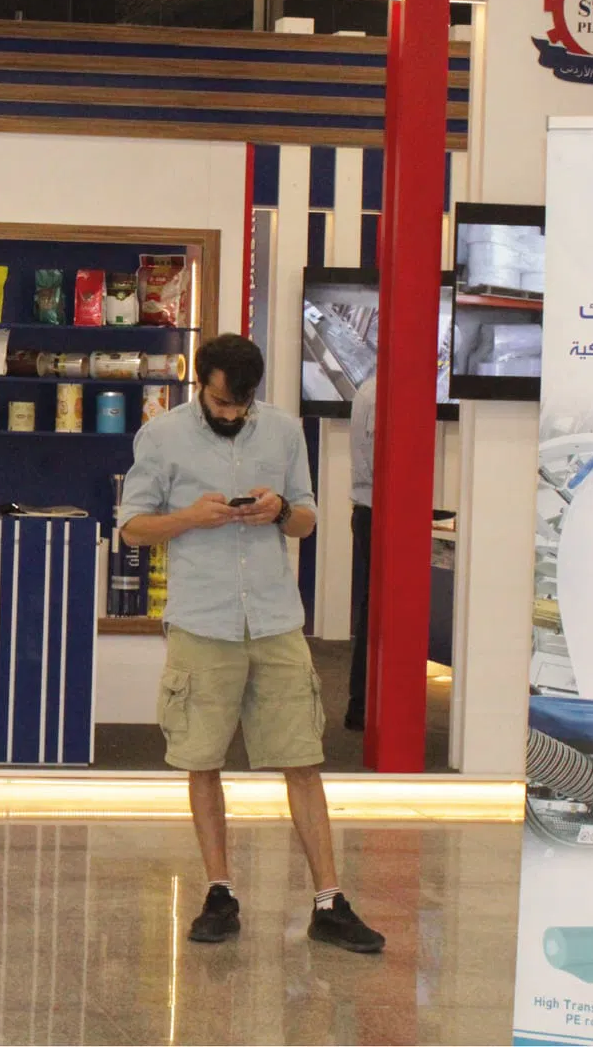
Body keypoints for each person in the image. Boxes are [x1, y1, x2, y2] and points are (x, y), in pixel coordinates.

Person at [118, 334, 386, 954]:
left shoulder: (285, 432)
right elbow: (132, 527)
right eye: (221, 403)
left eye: (241, 404)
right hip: (202, 622)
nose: (232, 413)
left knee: (303, 759)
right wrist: (190, 517)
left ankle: (329, 902)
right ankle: (220, 895)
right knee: (202, 761)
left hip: (274, 620)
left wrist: (279, 510)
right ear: (201, 385)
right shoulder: (161, 436)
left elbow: (307, 519)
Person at [346, 375, 376, 733]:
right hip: (377, 513)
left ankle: (363, 705)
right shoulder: (380, 393)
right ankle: (363, 706)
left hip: (371, 511)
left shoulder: (370, 388)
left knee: (373, 608)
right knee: (376, 611)